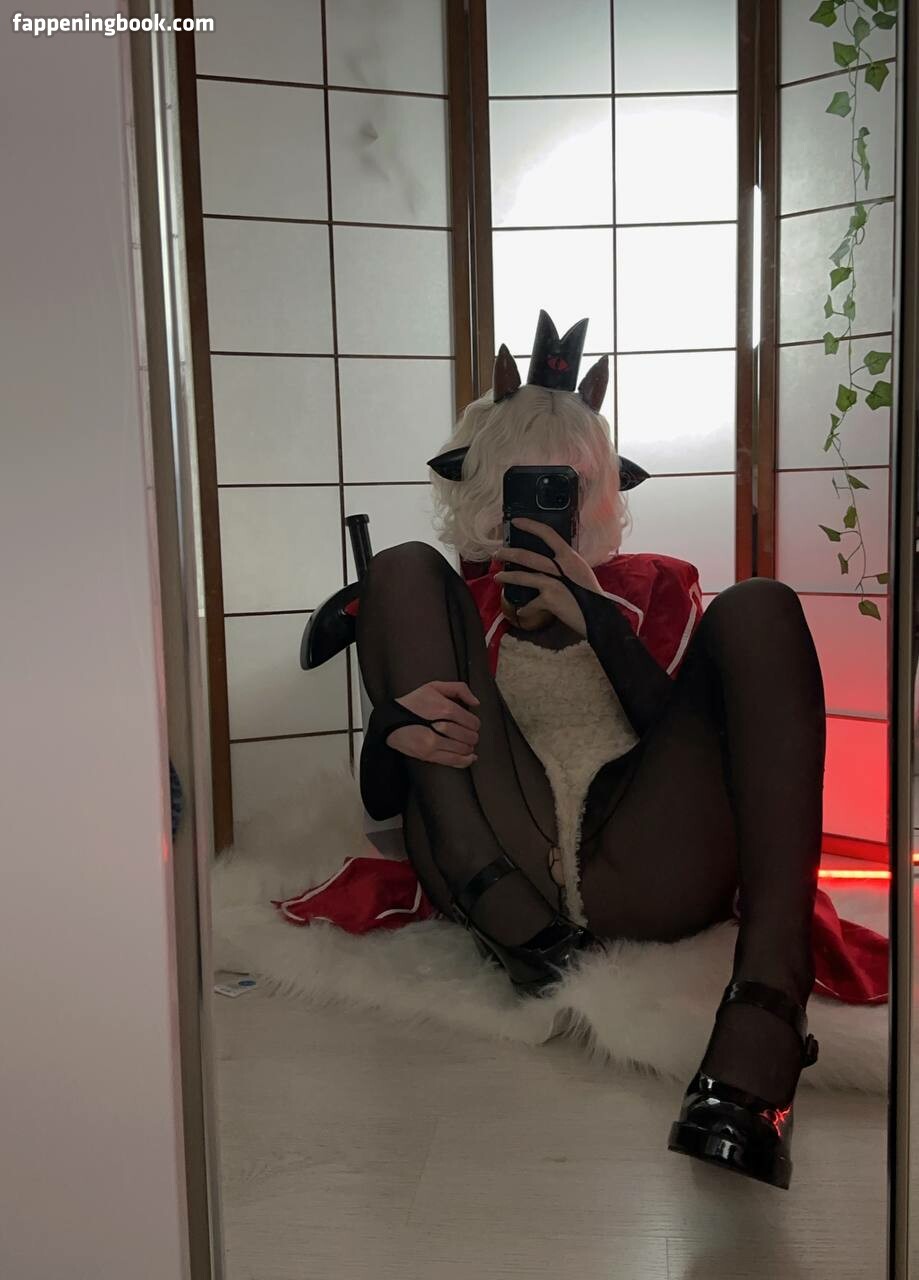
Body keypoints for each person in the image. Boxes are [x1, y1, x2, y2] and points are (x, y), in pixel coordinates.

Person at [306, 311, 887, 1190]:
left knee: (761, 605)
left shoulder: (653, 589)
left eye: (571, 485)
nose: (551, 507)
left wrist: (600, 622)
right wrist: (391, 726)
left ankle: (768, 1004)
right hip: (502, 855)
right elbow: (388, 803)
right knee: (399, 566)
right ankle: (507, 920)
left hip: (642, 859)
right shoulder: (445, 609)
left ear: (603, 492)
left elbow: (700, 754)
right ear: (483, 493)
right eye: (526, 486)